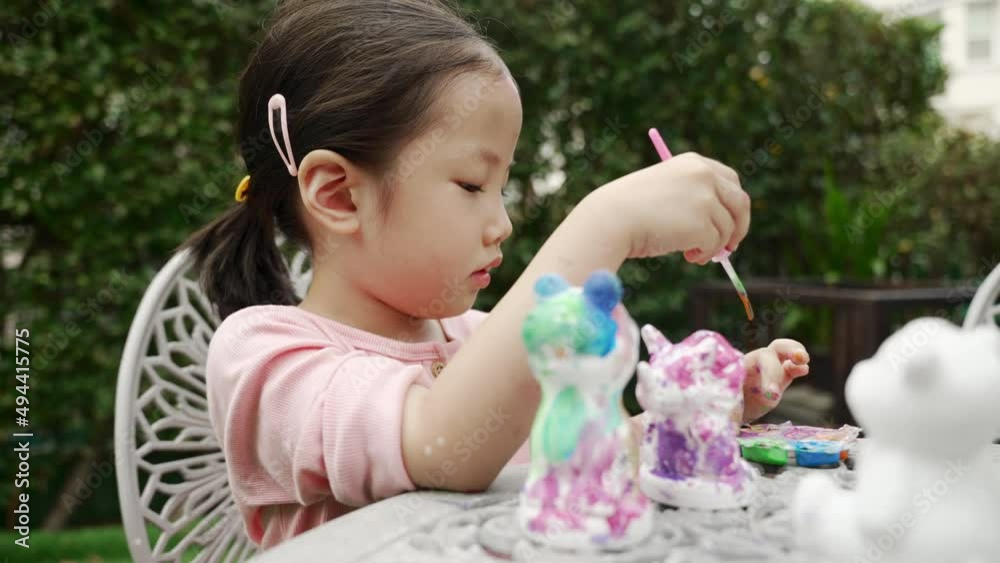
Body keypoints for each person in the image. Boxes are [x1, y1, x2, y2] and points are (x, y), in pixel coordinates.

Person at [181, 0, 811, 549]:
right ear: (339, 195)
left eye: (501, 188)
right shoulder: (266, 358)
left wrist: (694, 413)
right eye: (471, 184)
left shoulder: (481, 337)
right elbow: (439, 450)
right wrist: (607, 221)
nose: (502, 224)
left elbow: (590, 454)